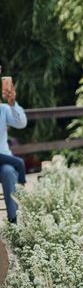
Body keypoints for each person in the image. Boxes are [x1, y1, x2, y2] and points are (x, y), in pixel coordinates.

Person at [0, 76, 27, 223]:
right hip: (6, 158)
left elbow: (21, 123)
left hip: (3, 161)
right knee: (17, 163)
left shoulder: (3, 109)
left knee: (9, 171)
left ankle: (13, 220)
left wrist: (12, 104)